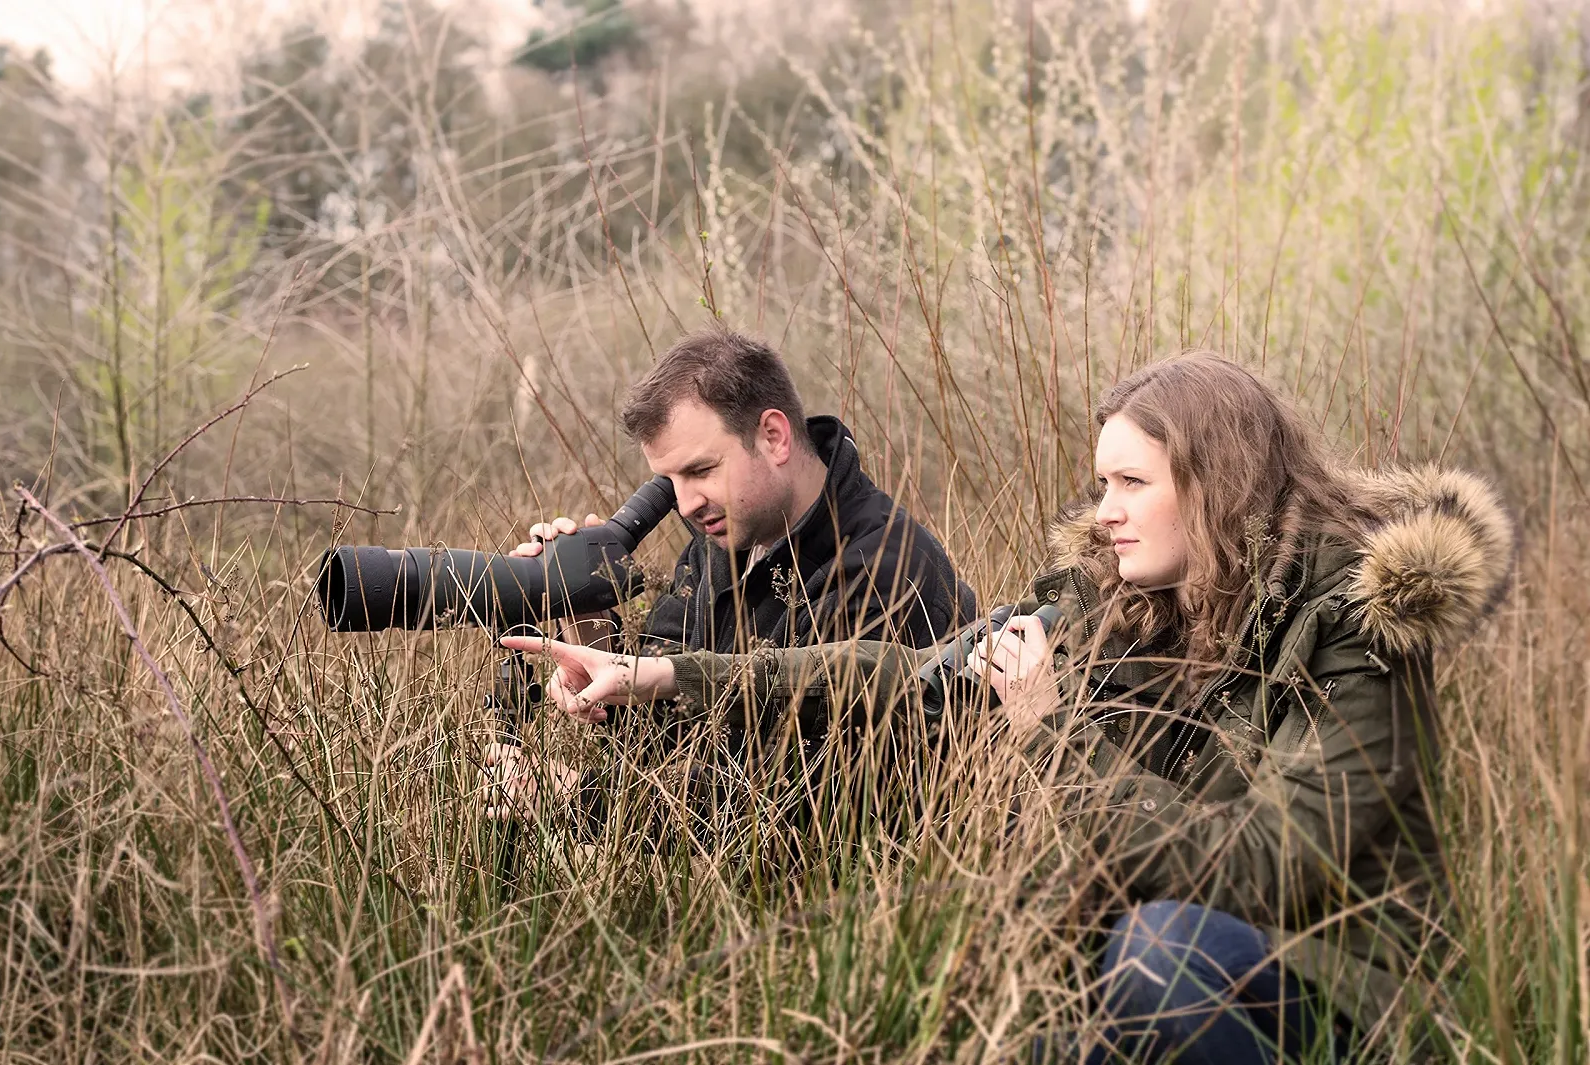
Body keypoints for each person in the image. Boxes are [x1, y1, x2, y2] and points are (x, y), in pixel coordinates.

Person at [502, 351, 1517, 1062]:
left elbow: (1256, 868)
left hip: (1344, 994)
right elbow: (904, 678)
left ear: (1216, 486)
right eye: (1098, 482)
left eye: (1129, 483)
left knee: (1159, 948)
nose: (1103, 510)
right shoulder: (1117, 600)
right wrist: (665, 679)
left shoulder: (1355, 631)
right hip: (1154, 974)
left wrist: (1054, 731)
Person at [485, 323, 975, 832]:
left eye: (700, 470)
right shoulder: (724, 542)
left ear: (774, 437)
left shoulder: (886, 569)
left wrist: (577, 801)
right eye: (669, 481)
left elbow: (803, 808)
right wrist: (584, 618)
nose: (684, 504)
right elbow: (662, 729)